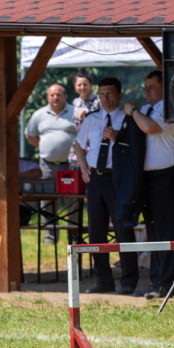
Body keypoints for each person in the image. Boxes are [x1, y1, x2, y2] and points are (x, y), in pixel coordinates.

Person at [124, 70, 174, 299]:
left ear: (164, 88)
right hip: (150, 179)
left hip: (168, 177)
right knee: (153, 231)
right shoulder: (149, 110)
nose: (146, 90)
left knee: (166, 231)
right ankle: (156, 282)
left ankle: (166, 283)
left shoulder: (170, 108)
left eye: (151, 86)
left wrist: (132, 111)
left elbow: (150, 128)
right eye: (145, 86)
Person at [74, 76, 139, 294]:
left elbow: (133, 147)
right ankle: (103, 280)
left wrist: (117, 137)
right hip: (95, 178)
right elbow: (79, 144)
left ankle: (129, 281)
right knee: (96, 230)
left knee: (122, 229)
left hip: (117, 178)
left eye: (110, 93)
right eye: (102, 94)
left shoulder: (127, 118)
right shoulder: (92, 119)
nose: (106, 98)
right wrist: (83, 168)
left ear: (120, 95)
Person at [25, 84, 78, 245]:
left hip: (70, 166)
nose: (55, 97)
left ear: (65, 96)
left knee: (73, 201)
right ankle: (50, 237)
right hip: (47, 166)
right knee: (47, 201)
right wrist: (45, 147)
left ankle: (75, 236)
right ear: (48, 97)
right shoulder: (39, 114)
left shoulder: (75, 112)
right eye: (52, 95)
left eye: (59, 94)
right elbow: (30, 134)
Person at [69, 69, 101, 169]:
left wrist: (85, 118)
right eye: (79, 85)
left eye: (85, 84)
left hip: (94, 145)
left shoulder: (98, 100)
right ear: (75, 86)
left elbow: (102, 123)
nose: (82, 87)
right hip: (78, 147)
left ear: (91, 84)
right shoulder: (75, 102)